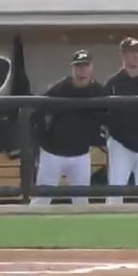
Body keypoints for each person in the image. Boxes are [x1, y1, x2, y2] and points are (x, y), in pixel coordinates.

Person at [29, 50, 106, 206]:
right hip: (53, 153)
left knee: (81, 202)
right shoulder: (60, 88)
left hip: (80, 154)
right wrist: (44, 140)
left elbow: (105, 116)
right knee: (41, 200)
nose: (82, 70)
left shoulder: (98, 90)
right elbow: (36, 114)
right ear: (73, 68)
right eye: (78, 66)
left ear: (91, 67)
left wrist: (95, 138)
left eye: (85, 66)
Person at [104, 37, 138, 205]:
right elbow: (104, 113)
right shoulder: (113, 83)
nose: (135, 56)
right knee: (116, 190)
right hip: (121, 144)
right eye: (131, 52)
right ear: (123, 55)